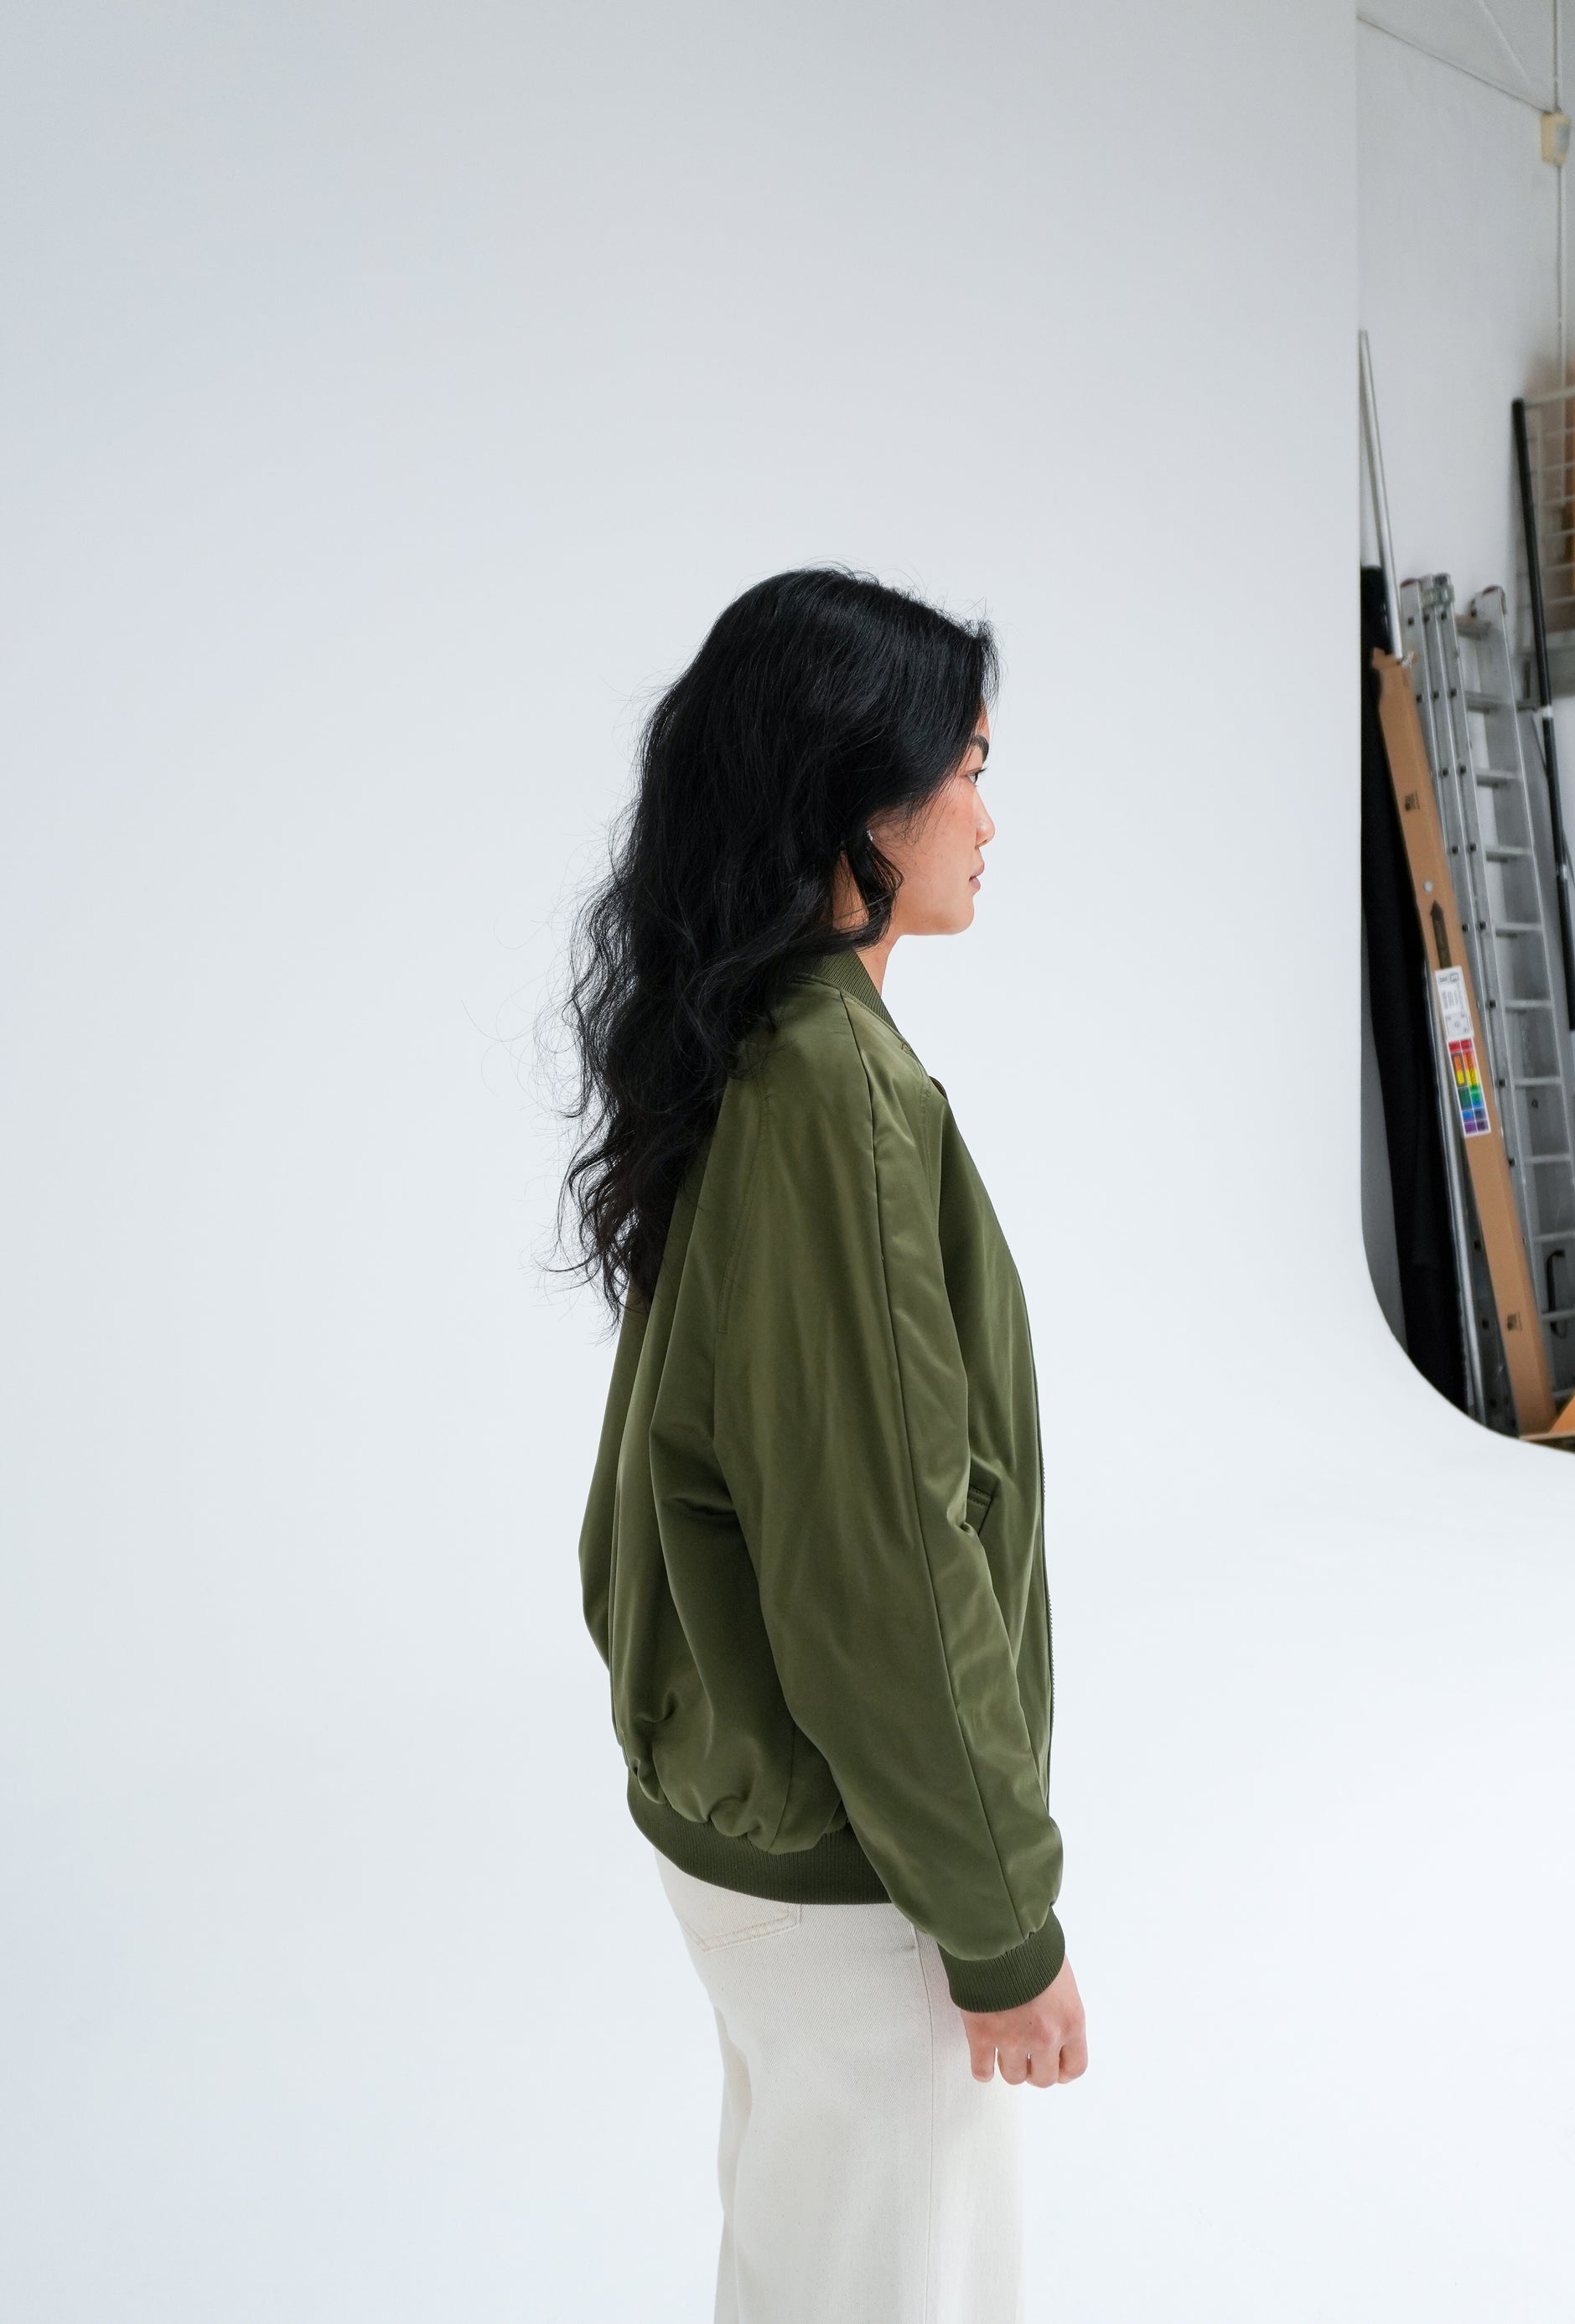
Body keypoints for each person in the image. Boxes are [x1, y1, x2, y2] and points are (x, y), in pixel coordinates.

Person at [562, 568, 1084, 2324]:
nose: (987, 819)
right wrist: (1000, 1919)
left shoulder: (750, 1051)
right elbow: (882, 1559)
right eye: (967, 771)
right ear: (859, 800)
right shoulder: (831, 1095)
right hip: (859, 1864)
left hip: (755, 1821)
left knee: (805, 2274)